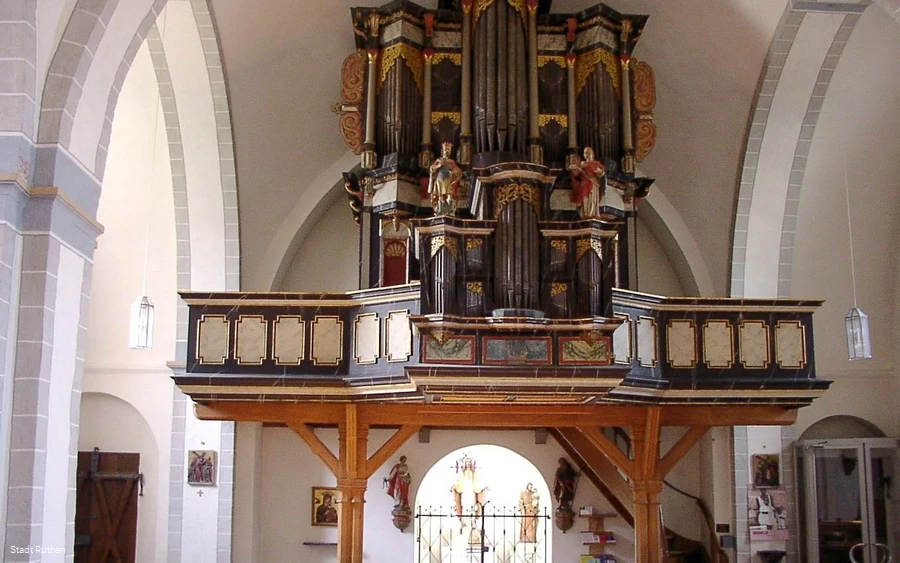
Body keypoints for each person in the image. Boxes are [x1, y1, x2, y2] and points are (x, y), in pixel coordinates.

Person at [568, 146, 606, 219]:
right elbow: (577, 174)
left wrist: (600, 171)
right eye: (585, 153)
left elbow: (602, 172)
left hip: (592, 183)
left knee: (592, 197)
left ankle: (592, 212)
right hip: (584, 184)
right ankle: (585, 213)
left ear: (592, 154)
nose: (587, 155)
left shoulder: (596, 163)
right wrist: (574, 170)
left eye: (588, 153)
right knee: (584, 195)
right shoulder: (582, 164)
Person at [428, 142, 463, 216]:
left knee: (449, 195)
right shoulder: (439, 160)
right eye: (445, 149)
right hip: (439, 180)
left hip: (447, 181)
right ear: (442, 151)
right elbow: (432, 168)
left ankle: (450, 211)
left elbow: (458, 171)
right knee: (440, 196)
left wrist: (452, 172)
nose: (446, 151)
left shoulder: (451, 162)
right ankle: (440, 210)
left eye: (448, 150)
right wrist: (438, 166)